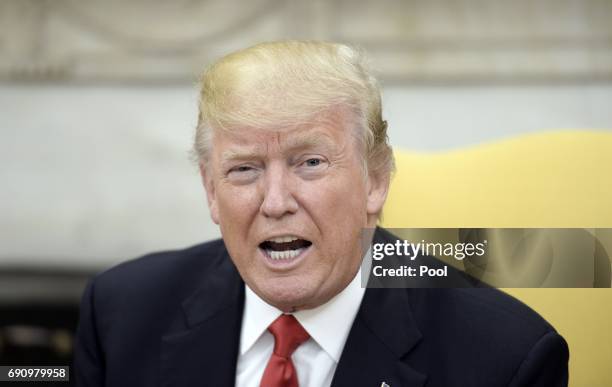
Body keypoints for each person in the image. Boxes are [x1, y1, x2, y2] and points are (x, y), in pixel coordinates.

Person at [73, 41, 569, 387]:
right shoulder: (121, 313)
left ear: (376, 179)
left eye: (309, 163)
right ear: (210, 190)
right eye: (244, 169)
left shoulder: (506, 356)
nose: (275, 202)